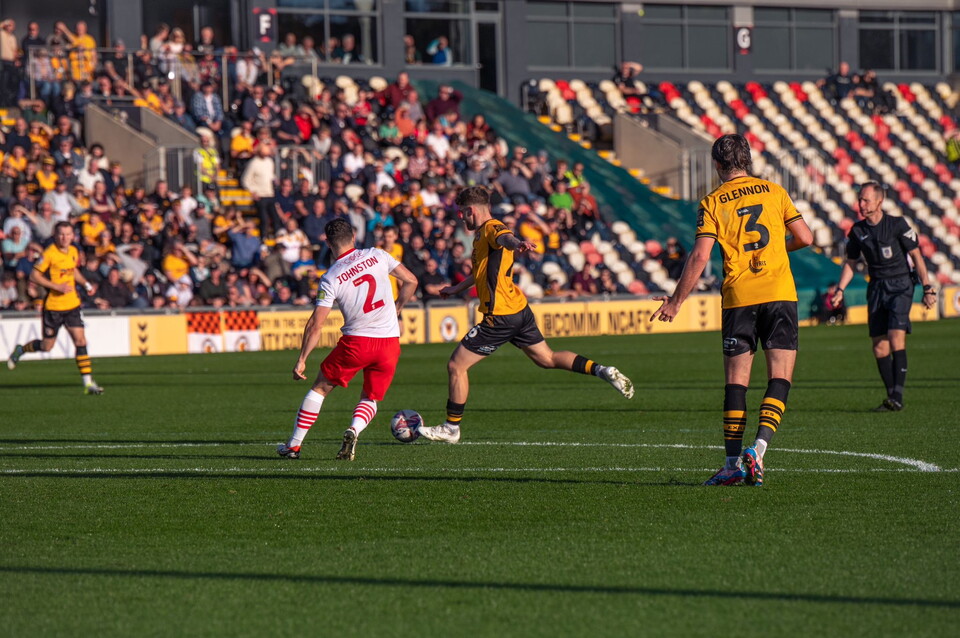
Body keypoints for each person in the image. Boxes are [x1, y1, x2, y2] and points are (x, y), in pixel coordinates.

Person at [650, 134, 813, 487]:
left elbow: (700, 256)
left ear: (718, 165)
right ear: (748, 160)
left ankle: (730, 464)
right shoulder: (773, 191)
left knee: (736, 383)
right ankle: (759, 448)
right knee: (779, 378)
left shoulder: (712, 202)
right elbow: (806, 237)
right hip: (779, 292)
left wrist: (676, 302)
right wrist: (777, 252)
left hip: (739, 297)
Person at [417, 186, 634, 444]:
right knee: (547, 358)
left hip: (499, 316)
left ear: (470, 210)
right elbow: (482, 272)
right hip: (519, 309)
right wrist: (457, 288)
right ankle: (602, 370)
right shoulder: (480, 236)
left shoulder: (490, 228)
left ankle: (451, 428)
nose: (462, 219)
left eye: (463, 214)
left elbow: (505, 237)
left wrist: (518, 243)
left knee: (456, 365)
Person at [277, 219, 418, 461]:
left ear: (328, 243)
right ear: (353, 236)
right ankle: (354, 429)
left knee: (320, 388)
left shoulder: (331, 277)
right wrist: (398, 306)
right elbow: (411, 280)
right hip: (389, 343)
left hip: (357, 343)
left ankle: (294, 446)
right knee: (370, 397)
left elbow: (316, 324)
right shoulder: (378, 254)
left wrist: (302, 359)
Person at [830, 182, 936, 412]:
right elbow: (851, 263)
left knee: (895, 336)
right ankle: (891, 397)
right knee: (879, 347)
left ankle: (897, 395)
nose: (861, 204)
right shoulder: (857, 231)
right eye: (860, 199)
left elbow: (917, 257)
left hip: (900, 285)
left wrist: (927, 287)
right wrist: (840, 289)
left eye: (866, 200)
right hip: (876, 287)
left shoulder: (897, 224)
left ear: (879, 201)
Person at [6, 222, 105, 395]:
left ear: (72, 236)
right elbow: (34, 275)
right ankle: (21, 350)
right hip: (53, 308)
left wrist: (86, 283)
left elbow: (73, 271)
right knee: (46, 346)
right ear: (55, 235)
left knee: (81, 341)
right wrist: (56, 286)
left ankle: (88, 384)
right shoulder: (49, 254)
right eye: (61, 234)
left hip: (72, 305)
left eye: (67, 234)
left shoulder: (73, 251)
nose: (64, 238)